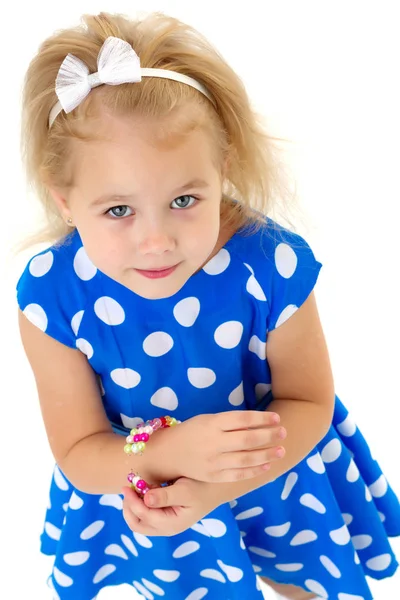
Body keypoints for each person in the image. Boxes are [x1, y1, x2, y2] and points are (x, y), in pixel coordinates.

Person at [16, 10, 399, 600]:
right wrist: (170, 456)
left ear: (221, 172)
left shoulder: (271, 265)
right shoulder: (52, 297)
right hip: (144, 486)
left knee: (301, 581)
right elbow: (78, 452)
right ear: (65, 201)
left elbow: (311, 402)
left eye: (185, 199)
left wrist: (218, 486)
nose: (157, 241)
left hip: (276, 469)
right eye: (118, 210)